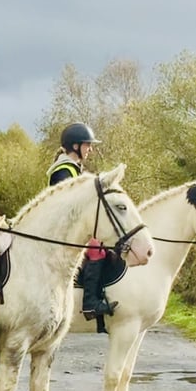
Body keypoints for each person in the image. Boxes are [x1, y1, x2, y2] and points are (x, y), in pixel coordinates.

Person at [46, 122, 117, 320]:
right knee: (96, 250)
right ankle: (90, 303)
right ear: (75, 146)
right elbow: (68, 208)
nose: (91, 149)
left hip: (71, 227)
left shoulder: (73, 169)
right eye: (88, 145)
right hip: (63, 230)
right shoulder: (64, 171)